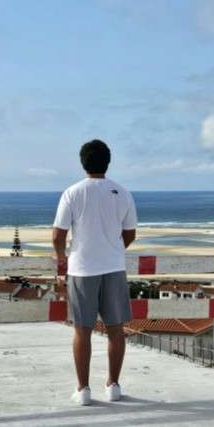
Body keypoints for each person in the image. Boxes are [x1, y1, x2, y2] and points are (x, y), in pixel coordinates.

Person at [52, 139, 137, 405]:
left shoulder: (73, 193)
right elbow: (130, 232)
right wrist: (113, 248)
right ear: (107, 162)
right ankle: (113, 385)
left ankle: (83, 389)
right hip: (114, 267)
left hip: (82, 269)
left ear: (82, 162)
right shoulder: (122, 192)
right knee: (116, 329)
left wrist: (61, 259)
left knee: (82, 330)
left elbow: (58, 235)